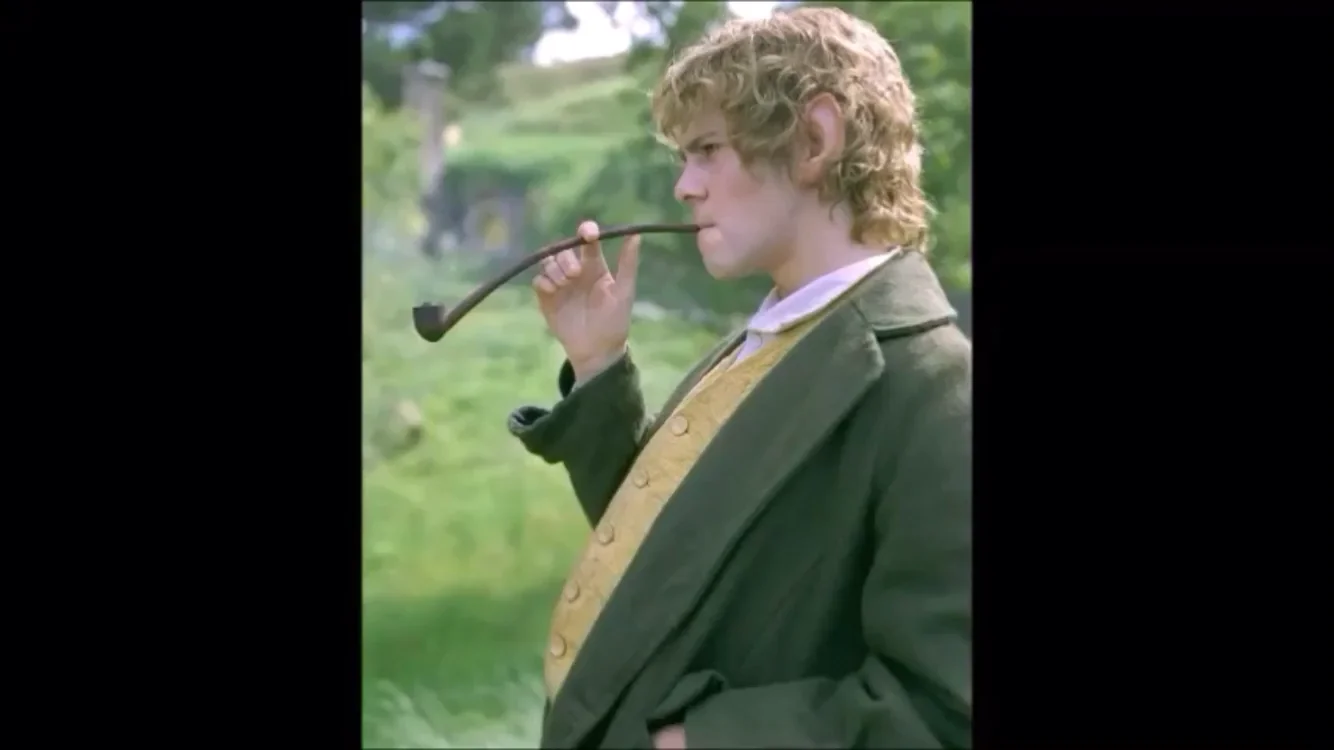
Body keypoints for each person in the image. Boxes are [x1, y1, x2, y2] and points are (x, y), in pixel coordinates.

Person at [506, 6, 971, 748]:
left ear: (815, 139)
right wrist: (597, 364)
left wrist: (699, 742)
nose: (684, 187)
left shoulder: (938, 390)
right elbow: (685, 559)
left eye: (707, 150)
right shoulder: (774, 337)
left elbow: (943, 711)